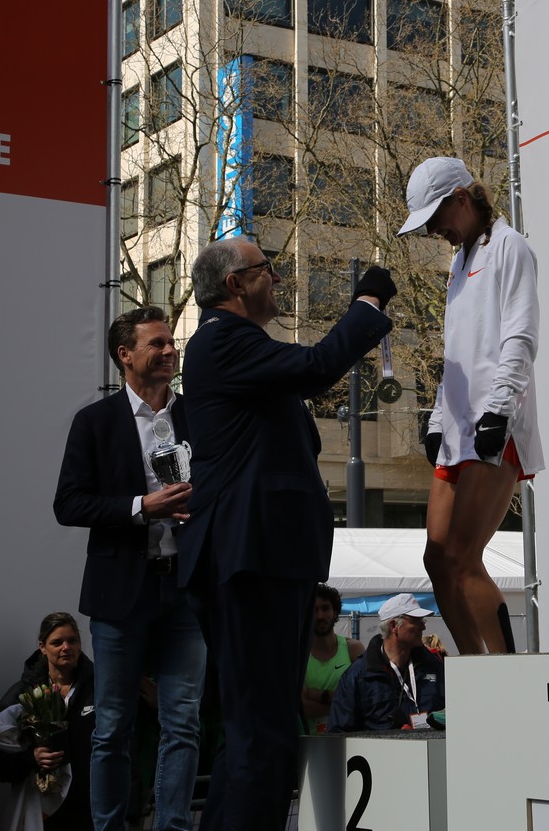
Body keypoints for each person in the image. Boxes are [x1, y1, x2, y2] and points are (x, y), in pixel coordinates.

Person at [178, 237, 394, 830]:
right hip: (252, 558)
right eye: (266, 269)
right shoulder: (223, 339)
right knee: (264, 733)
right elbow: (318, 366)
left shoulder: (238, 351)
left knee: (259, 729)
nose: (278, 278)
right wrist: (367, 303)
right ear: (234, 284)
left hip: (264, 558)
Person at [53, 307, 206, 831]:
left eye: (171, 342)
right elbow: (68, 504)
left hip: (186, 589)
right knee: (112, 726)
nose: (169, 350)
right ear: (125, 355)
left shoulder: (197, 416)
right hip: (120, 594)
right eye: (156, 343)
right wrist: (143, 507)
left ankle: (172, 826)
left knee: (183, 723)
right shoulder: (94, 422)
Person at [397, 157, 543, 654]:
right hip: (458, 430)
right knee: (436, 559)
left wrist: (499, 411)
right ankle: (474, 669)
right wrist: (438, 420)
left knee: (462, 555)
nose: (433, 230)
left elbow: (520, 336)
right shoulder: (458, 264)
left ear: (461, 198)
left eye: (435, 217)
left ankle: (508, 673)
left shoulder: (510, 246)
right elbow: (456, 355)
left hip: (495, 424)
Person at [0, 613, 95, 831]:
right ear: (42, 647)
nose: (66, 647)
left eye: (72, 641)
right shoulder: (21, 695)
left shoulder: (99, 689)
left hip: (89, 809)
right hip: (39, 812)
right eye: (57, 642)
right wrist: (31, 758)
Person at [328, 594, 445, 733]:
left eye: (422, 620)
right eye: (415, 620)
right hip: (380, 747)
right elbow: (339, 732)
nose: (423, 627)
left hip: (430, 746)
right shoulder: (358, 676)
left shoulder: (433, 666)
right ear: (394, 626)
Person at [301, 584, 365, 734]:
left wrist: (317, 695)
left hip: (346, 741)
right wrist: (342, 703)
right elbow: (302, 708)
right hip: (308, 742)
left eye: (325, 608)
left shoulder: (353, 649)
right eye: (314, 610)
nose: (320, 616)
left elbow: (362, 701)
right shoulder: (299, 654)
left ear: (335, 612)